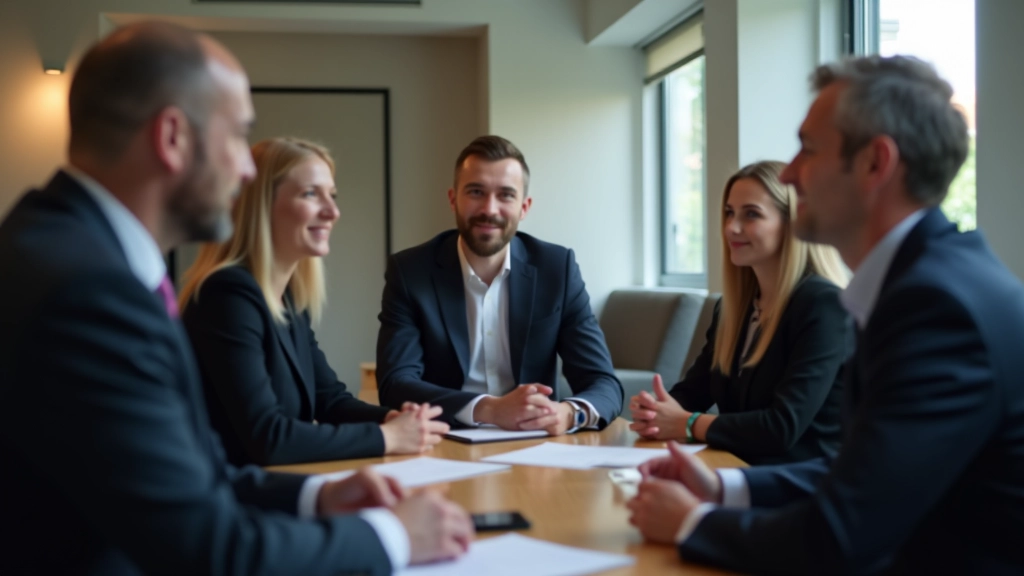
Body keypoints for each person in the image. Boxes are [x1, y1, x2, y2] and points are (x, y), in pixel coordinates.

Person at [0, 22, 472, 575]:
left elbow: (195, 471)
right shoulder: (89, 291)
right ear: (173, 137)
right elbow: (211, 548)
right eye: (236, 137)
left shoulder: (69, 252)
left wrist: (315, 498)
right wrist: (393, 536)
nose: (247, 169)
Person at [627, 55, 1024, 574]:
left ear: (875, 164)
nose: (790, 172)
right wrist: (725, 484)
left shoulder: (935, 308)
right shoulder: (925, 282)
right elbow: (863, 474)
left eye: (808, 149)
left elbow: (844, 533)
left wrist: (692, 523)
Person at [180, 137, 448, 466]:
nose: (332, 211)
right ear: (261, 205)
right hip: (236, 502)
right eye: (310, 193)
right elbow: (268, 437)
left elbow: (329, 400)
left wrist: (392, 419)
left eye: (332, 196)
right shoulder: (226, 297)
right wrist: (387, 437)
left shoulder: (288, 299)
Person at [376, 135, 623, 434]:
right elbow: (395, 384)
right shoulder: (410, 271)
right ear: (453, 199)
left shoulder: (557, 269)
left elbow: (603, 382)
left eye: (506, 195)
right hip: (446, 439)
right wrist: (490, 409)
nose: (489, 209)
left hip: (537, 446)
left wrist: (570, 414)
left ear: (524, 207)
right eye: (476, 192)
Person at [628, 160, 851, 465]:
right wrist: (657, 411)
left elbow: (781, 428)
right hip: (733, 472)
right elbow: (694, 392)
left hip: (799, 489)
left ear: (793, 223)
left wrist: (687, 423)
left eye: (751, 214)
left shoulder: (824, 306)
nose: (731, 227)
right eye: (729, 213)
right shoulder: (733, 309)